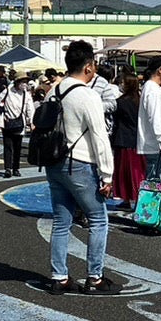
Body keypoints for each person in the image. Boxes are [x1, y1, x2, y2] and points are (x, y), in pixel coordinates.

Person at [44, 41, 119, 295]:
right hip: (80, 163)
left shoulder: (53, 91)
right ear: (89, 66)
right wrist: (107, 175)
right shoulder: (87, 95)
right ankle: (95, 278)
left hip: (54, 163)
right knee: (98, 218)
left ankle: (59, 276)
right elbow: (100, 137)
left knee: (61, 221)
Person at [137, 58, 161, 189]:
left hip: (155, 144)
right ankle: (157, 209)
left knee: (154, 180)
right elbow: (155, 117)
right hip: (157, 146)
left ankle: (153, 208)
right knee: (158, 183)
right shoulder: (152, 89)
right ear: (160, 70)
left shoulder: (151, 88)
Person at [108, 76, 144, 208]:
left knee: (123, 171)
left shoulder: (120, 102)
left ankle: (127, 197)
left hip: (122, 139)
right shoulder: (140, 101)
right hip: (137, 139)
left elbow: (115, 121)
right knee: (137, 171)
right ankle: (136, 197)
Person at [0, 74, 34, 178]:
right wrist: (1, 115)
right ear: (16, 82)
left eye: (26, 82)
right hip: (7, 121)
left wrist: (31, 122)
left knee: (18, 147)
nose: (24, 84)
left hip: (20, 122)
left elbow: (30, 108)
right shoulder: (7, 91)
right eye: (22, 81)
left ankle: (16, 168)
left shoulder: (26, 94)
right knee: (8, 146)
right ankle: (8, 168)